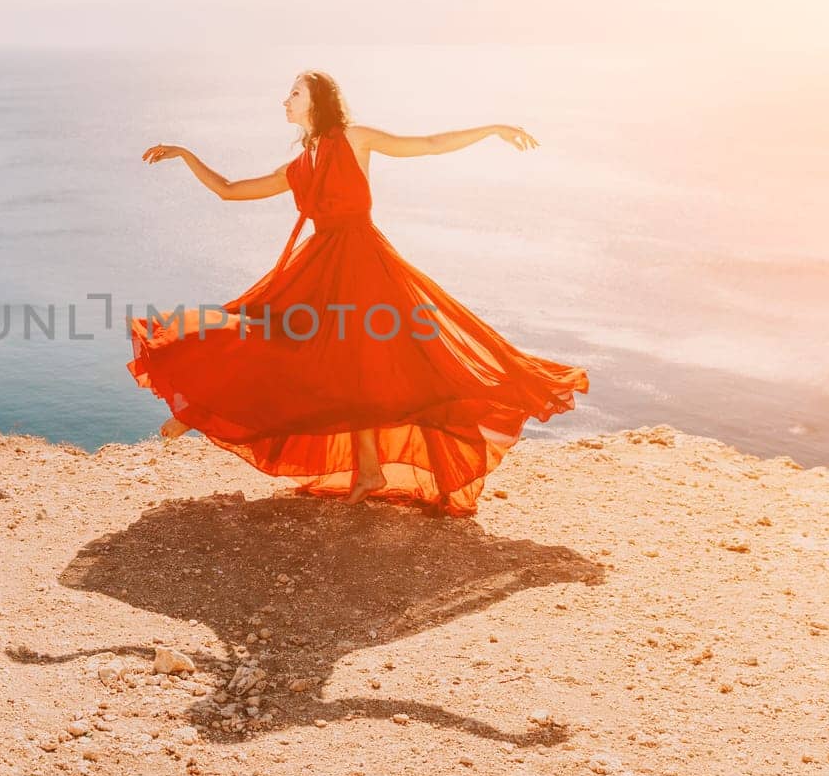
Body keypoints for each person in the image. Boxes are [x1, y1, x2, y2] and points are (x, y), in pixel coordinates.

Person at [128, 70, 589, 516]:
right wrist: (186, 155)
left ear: (317, 100)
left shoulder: (353, 139)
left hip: (363, 265)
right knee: (278, 338)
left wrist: (491, 129)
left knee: (362, 365)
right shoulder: (298, 164)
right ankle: (358, 467)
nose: (284, 101)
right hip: (318, 266)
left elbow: (426, 146)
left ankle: (209, 414)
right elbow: (230, 191)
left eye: (294, 93)